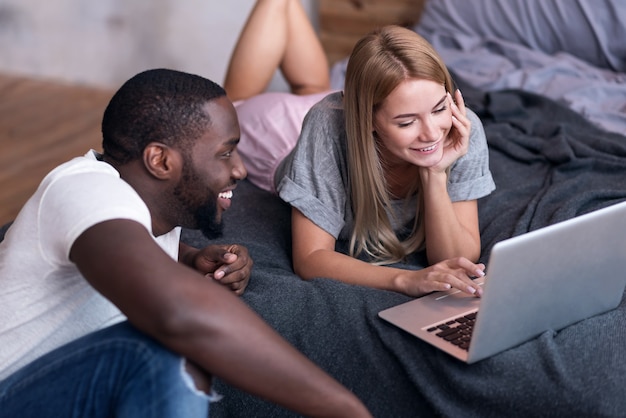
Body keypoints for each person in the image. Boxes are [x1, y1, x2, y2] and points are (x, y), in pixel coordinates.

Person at [0, 68, 372, 417]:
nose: (239, 169)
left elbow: (130, 244)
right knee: (163, 349)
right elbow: (177, 312)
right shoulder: (85, 189)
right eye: (225, 153)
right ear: (160, 160)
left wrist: (190, 258)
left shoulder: (148, 211)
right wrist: (343, 408)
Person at [225, 0, 496, 298]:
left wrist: (435, 174)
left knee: (312, 87)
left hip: (332, 104)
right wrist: (405, 280)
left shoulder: (460, 126)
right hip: (276, 131)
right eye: (406, 123)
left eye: (438, 108)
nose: (432, 133)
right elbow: (311, 258)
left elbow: (456, 259)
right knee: (234, 104)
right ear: (367, 119)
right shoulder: (327, 127)